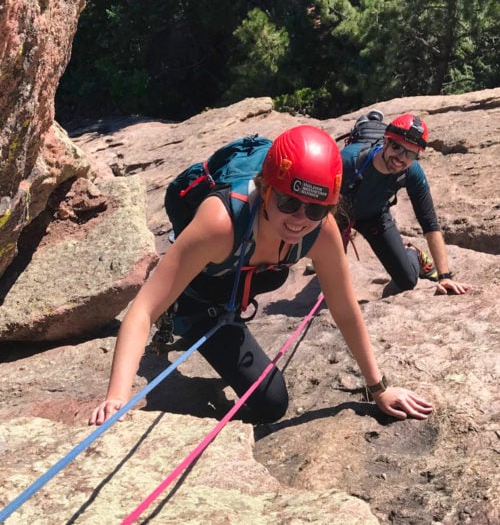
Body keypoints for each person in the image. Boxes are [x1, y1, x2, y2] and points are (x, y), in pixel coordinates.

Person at [89, 125, 433, 426]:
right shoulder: (220, 223)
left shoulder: (322, 230)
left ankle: (182, 283)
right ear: (265, 188)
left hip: (236, 291)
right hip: (202, 297)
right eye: (288, 203)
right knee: (178, 300)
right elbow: (142, 310)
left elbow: (344, 309)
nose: (299, 218)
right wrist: (117, 399)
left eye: (315, 208)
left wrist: (379, 389)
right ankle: (176, 294)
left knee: (271, 404)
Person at [334, 113, 469, 296]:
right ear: (385, 141)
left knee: (406, 280)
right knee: (330, 270)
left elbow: (429, 223)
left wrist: (444, 277)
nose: (400, 157)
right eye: (396, 147)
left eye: (410, 153)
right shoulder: (348, 160)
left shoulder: (413, 173)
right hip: (339, 214)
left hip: (375, 216)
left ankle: (413, 253)